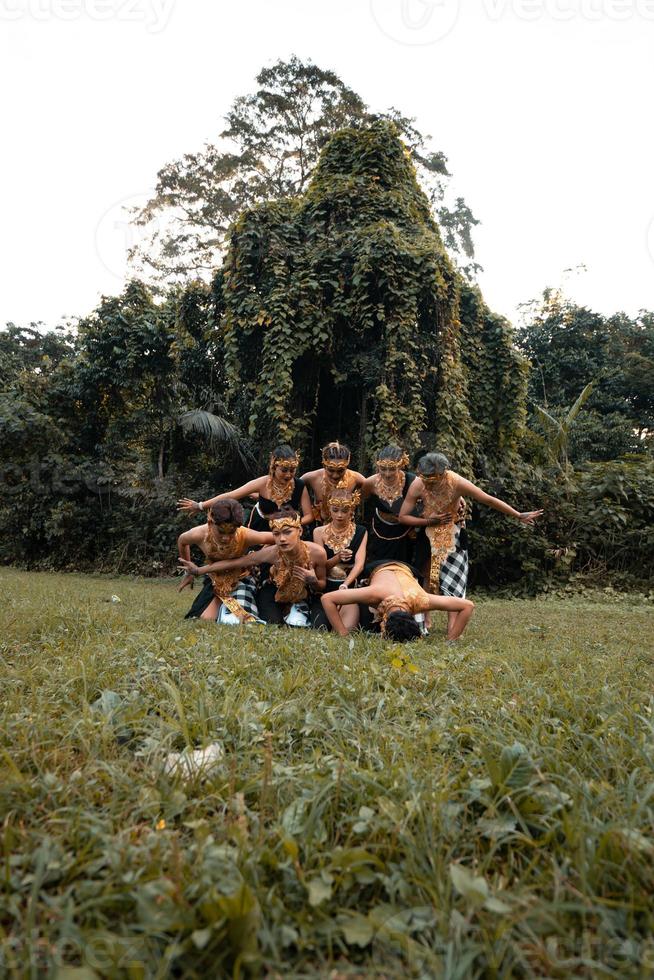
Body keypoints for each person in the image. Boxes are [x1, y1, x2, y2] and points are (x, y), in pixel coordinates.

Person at [399, 452, 543, 591]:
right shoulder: (418, 484)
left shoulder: (457, 483)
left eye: (432, 481)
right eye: (425, 479)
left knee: (455, 578)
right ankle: (425, 616)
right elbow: (403, 517)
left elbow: (488, 499)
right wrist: (430, 521)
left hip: (454, 531)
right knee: (427, 575)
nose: (427, 485)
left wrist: (518, 514)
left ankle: (455, 613)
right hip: (428, 533)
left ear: (443, 474)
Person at [179, 509, 327, 627]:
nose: (282, 539)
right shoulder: (271, 553)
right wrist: (198, 571)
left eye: (288, 532)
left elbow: (322, 585)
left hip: (305, 593)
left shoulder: (317, 553)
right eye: (276, 534)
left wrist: (312, 580)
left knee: (311, 625)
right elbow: (236, 562)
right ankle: (227, 609)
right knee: (273, 623)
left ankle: (296, 611)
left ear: (300, 531)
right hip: (276, 590)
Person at [321, 559, 474, 642]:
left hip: (408, 570)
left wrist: (451, 640)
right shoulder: (373, 593)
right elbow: (327, 599)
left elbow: (468, 606)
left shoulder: (420, 599)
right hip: (378, 566)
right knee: (362, 624)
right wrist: (343, 634)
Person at [177, 498, 273, 622]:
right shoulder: (199, 534)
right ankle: (221, 603)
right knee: (204, 619)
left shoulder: (245, 535)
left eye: (232, 532)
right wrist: (188, 573)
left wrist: (262, 553)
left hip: (240, 578)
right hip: (214, 580)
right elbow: (182, 541)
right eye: (221, 532)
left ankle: (239, 603)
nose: (226, 538)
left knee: (239, 620)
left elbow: (279, 538)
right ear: (210, 523)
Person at [177, 445, 313, 532]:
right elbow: (231, 495)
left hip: (289, 532)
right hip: (260, 529)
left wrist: (290, 523)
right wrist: (200, 505)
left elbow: (309, 516)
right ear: (274, 466)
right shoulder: (262, 483)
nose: (289, 475)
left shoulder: (300, 485)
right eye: (284, 470)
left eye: (292, 470)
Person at [312, 488, 368, 631]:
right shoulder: (318, 532)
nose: (340, 515)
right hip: (325, 588)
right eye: (335, 510)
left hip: (348, 588)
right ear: (329, 509)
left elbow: (359, 564)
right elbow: (321, 567)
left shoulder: (361, 531)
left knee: (348, 628)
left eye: (345, 510)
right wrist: (337, 558)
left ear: (352, 510)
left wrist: (345, 585)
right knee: (321, 628)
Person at [361, 445, 416, 565]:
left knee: (404, 569)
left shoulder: (413, 481)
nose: (387, 474)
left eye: (392, 469)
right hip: (379, 531)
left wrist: (459, 499)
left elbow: (432, 495)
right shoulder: (370, 483)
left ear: (401, 465)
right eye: (383, 468)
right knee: (377, 567)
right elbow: (357, 500)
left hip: (405, 533)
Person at [301, 442, 365, 524]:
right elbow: (294, 486)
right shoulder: (312, 478)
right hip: (320, 528)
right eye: (331, 470)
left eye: (341, 471)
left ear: (346, 467)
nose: (335, 475)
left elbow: (372, 486)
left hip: (347, 529)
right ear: (324, 466)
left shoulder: (355, 478)